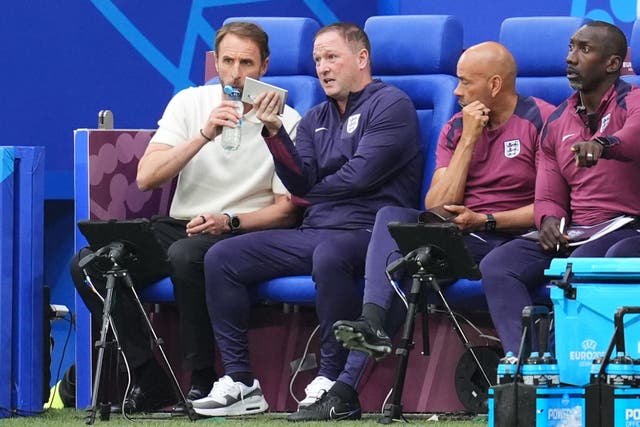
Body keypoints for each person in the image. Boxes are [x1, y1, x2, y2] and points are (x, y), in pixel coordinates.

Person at [287, 41, 556, 421]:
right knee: (392, 224)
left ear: (495, 85)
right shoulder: (456, 127)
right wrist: (468, 141)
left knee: (407, 276)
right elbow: (437, 205)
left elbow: (550, 205)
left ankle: (353, 371)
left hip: (510, 238)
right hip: (461, 235)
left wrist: (487, 220)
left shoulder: (542, 121)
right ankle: (364, 343)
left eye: (465, 83)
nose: (457, 92)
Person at [189, 22, 423, 418]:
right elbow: (297, 177)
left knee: (329, 254)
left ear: (361, 58)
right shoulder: (316, 115)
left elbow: (360, 177)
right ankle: (242, 382)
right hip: (314, 230)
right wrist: (274, 131)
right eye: (317, 59)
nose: (322, 67)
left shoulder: (392, 104)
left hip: (369, 232)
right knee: (221, 258)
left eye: (332, 57)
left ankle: (331, 378)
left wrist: (305, 191)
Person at [69, 21, 301, 413]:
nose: (236, 73)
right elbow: (147, 177)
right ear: (216, 63)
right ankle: (148, 377)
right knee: (90, 264)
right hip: (181, 223)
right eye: (227, 61)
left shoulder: (286, 121)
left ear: (264, 66)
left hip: (240, 229)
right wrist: (203, 135)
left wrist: (229, 220)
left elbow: (286, 211)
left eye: (247, 62)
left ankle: (202, 380)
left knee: (187, 255)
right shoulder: (190, 102)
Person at [480, 21, 640, 355]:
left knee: (582, 265)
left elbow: (633, 137)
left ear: (612, 63)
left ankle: (572, 364)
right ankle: (529, 365)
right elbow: (549, 191)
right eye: (570, 48)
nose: (570, 58)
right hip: (577, 230)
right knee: (497, 265)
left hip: (628, 226)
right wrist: (549, 219)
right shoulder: (556, 121)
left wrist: (603, 144)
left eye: (584, 49)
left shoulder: (634, 100)